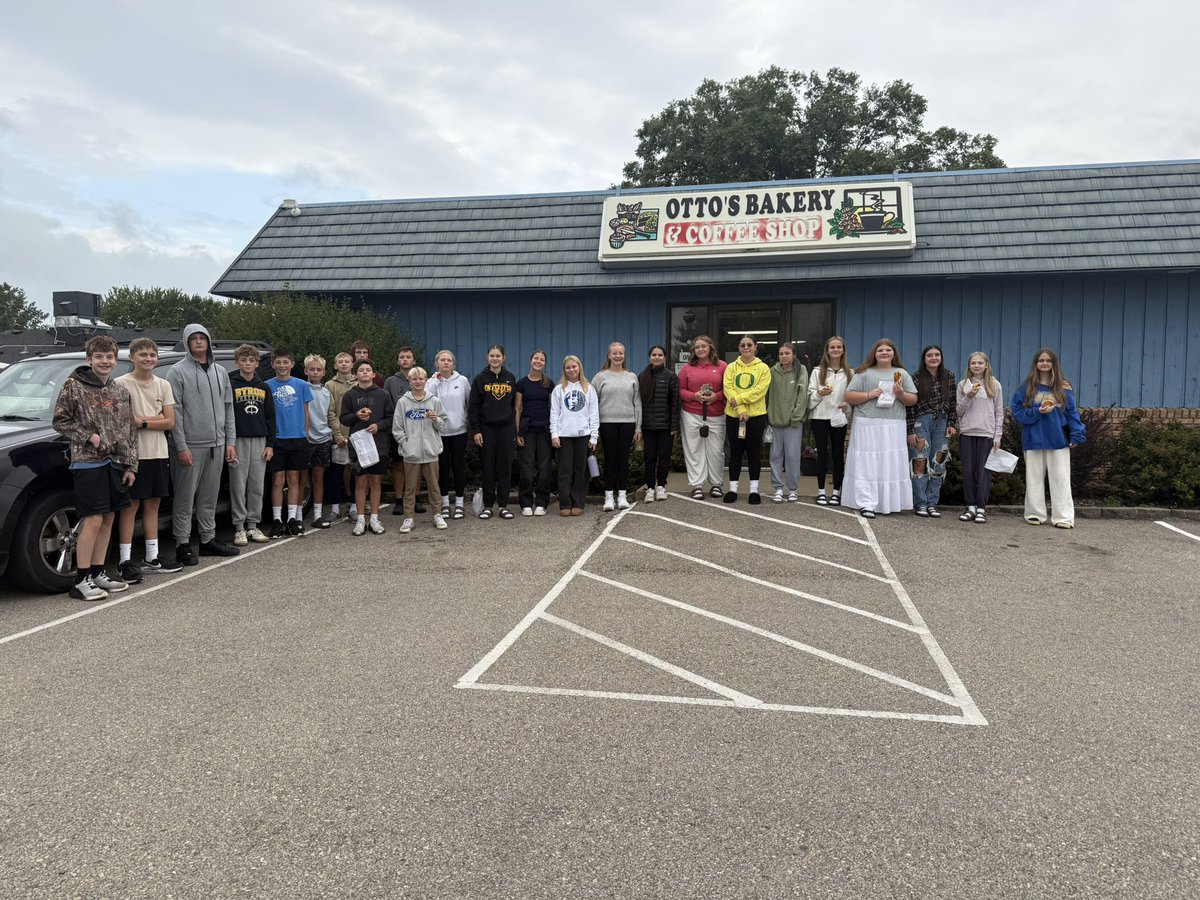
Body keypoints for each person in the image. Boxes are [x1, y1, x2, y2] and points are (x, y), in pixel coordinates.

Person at [53, 336, 138, 600]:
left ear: (115, 359)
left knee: (109, 517)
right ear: (89, 359)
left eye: (109, 357)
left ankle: (99, 572)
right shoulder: (74, 386)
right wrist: (89, 436)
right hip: (88, 462)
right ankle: (81, 579)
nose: (105, 361)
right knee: (93, 518)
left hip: (115, 462)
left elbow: (129, 430)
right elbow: (60, 421)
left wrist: (130, 464)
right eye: (99, 357)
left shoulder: (120, 391)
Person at [166, 323, 238, 565]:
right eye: (193, 338)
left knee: (209, 497)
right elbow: (175, 411)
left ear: (208, 341)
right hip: (190, 446)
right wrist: (181, 446)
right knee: (185, 498)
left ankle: (208, 540)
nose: (198, 342)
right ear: (187, 342)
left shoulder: (220, 372)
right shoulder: (177, 372)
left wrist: (230, 441)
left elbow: (229, 409)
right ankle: (182, 544)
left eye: (202, 338)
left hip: (217, 446)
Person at [114, 338, 180, 582]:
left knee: (153, 504)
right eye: (143, 354)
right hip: (133, 456)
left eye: (152, 355)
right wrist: (155, 419)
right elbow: (122, 421)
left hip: (159, 452)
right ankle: (124, 560)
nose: (148, 358)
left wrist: (142, 421)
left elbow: (170, 422)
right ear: (132, 357)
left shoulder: (163, 385)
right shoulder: (120, 384)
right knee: (130, 507)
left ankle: (152, 557)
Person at [1011, 348, 1086, 528]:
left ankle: (1063, 517)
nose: (1044, 363)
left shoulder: (1064, 386)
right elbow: (1017, 411)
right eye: (1041, 360)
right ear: (1036, 363)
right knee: (1034, 477)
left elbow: (1072, 413)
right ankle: (1035, 514)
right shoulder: (1027, 386)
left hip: (1058, 439)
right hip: (1033, 438)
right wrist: (1038, 411)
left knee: (1060, 478)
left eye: (1048, 360)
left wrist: (1077, 434)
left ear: (1054, 363)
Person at [842, 338, 917, 518]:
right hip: (867, 423)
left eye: (888, 350)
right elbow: (848, 395)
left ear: (893, 354)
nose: (884, 353)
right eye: (880, 350)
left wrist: (900, 394)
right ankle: (866, 501)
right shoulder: (864, 373)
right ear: (874, 354)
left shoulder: (901, 374)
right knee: (867, 463)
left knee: (888, 463)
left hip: (893, 424)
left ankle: (888, 501)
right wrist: (868, 395)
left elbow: (913, 399)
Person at [229, 343, 275, 547]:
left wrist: (270, 444)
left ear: (257, 363)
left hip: (260, 440)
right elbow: (226, 416)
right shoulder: (231, 384)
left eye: (251, 360)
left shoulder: (264, 386)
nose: (247, 363)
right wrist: (228, 443)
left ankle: (253, 524)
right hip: (238, 439)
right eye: (243, 360)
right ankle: (239, 528)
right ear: (237, 361)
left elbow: (271, 417)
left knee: (256, 485)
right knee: (238, 484)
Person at [341, 359, 394, 535]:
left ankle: (375, 518)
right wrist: (356, 415)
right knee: (360, 482)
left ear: (373, 374)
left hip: (378, 445)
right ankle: (361, 519)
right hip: (358, 446)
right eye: (361, 370)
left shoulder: (383, 394)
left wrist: (379, 426)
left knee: (376, 482)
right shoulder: (349, 395)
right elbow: (344, 418)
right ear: (355, 374)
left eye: (368, 370)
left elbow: (390, 418)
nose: (364, 372)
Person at [392, 366, 447, 533]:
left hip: (431, 452)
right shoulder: (403, 402)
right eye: (414, 379)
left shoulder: (434, 401)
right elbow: (397, 428)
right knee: (410, 487)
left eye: (421, 379)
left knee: (434, 486)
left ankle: (437, 514)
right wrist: (406, 445)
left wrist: (436, 419)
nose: (417, 382)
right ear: (409, 381)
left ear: (425, 381)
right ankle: (409, 517)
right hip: (411, 454)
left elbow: (443, 425)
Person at [266, 349, 313, 538]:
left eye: (286, 362)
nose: (282, 366)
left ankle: (293, 519)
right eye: (279, 362)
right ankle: (277, 520)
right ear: (273, 364)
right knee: (278, 481)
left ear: (292, 364)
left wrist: (306, 433)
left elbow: (306, 411)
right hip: (277, 439)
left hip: (297, 438)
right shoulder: (267, 386)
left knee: (294, 480)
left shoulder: (301, 385)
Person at [907, 344, 958, 518]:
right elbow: (910, 407)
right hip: (922, 422)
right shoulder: (916, 378)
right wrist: (910, 430)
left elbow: (953, 403)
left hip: (942, 423)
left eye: (937, 354)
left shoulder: (949, 376)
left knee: (939, 460)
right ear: (924, 358)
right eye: (930, 355)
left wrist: (952, 423)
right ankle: (920, 503)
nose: (934, 358)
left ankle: (932, 503)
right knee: (920, 461)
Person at [468, 344, 518, 519]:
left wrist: (514, 430)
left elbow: (515, 407)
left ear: (503, 358)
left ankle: (503, 505)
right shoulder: (480, 379)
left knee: (505, 467)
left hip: (506, 429)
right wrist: (476, 430)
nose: (495, 358)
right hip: (486, 429)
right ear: (487, 357)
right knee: (488, 467)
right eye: (492, 355)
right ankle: (488, 505)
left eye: (498, 356)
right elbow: (473, 407)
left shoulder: (510, 378)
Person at [592, 341, 642, 511]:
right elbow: (592, 402)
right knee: (610, 460)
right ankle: (608, 497)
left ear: (624, 356)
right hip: (606, 424)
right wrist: (593, 427)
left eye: (621, 353)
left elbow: (637, 403)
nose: (618, 356)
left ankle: (622, 495)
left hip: (628, 423)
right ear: (609, 355)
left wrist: (638, 427)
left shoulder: (632, 377)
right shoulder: (600, 377)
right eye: (615, 353)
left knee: (623, 460)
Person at [956, 351, 1005, 524]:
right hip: (968, 432)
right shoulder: (963, 384)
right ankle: (970, 507)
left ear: (986, 366)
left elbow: (999, 412)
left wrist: (997, 435)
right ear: (969, 366)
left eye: (980, 363)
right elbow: (959, 411)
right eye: (973, 363)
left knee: (984, 472)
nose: (976, 366)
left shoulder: (994, 385)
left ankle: (981, 508)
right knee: (968, 471)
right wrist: (968, 396)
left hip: (987, 434)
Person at [722, 335, 772, 504]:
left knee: (753, 453)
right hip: (734, 416)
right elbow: (728, 389)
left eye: (749, 345)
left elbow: (760, 390)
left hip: (756, 417)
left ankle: (753, 491)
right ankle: (733, 490)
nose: (746, 348)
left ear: (755, 347)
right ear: (739, 348)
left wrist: (741, 399)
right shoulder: (731, 367)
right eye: (743, 345)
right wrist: (741, 409)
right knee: (735, 453)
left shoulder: (764, 368)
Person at [678, 335, 727, 500]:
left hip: (716, 413)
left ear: (710, 348)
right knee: (694, 449)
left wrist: (717, 396)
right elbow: (680, 391)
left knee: (716, 451)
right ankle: (697, 485)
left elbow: (728, 389)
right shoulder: (686, 368)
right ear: (693, 350)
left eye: (703, 346)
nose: (700, 349)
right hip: (692, 413)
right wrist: (694, 396)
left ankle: (716, 484)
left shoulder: (722, 366)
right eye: (697, 347)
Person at [550, 355, 598, 516]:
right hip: (564, 436)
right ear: (564, 370)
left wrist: (594, 437)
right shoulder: (559, 389)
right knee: (565, 470)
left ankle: (578, 503)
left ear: (579, 368)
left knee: (580, 470)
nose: (571, 370)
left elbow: (594, 414)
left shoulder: (589, 389)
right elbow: (554, 413)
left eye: (574, 367)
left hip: (583, 435)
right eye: (568, 367)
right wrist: (554, 434)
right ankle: (565, 503)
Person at [808, 336, 852, 506]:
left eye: (838, 347)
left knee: (837, 454)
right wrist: (820, 394)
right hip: (820, 417)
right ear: (827, 350)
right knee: (822, 454)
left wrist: (847, 405)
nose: (835, 350)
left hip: (838, 417)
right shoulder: (817, 371)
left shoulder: (850, 373)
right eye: (832, 347)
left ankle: (836, 492)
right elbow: (809, 398)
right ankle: (820, 491)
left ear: (843, 350)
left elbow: (851, 397)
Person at [427, 349, 470, 520]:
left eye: (449, 360)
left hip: (459, 431)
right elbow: (426, 399)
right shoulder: (431, 381)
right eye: (442, 360)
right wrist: (435, 381)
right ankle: (444, 504)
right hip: (439, 432)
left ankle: (459, 504)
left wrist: (466, 422)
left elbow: (469, 403)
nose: (446, 362)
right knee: (442, 469)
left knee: (458, 468)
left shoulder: (463, 381)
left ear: (453, 363)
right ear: (437, 363)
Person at [766, 342, 809, 503]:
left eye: (787, 353)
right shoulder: (772, 371)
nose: (784, 356)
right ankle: (777, 488)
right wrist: (768, 416)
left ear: (794, 355)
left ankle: (792, 489)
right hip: (775, 420)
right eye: (781, 353)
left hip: (793, 422)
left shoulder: (800, 370)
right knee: (775, 456)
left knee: (792, 457)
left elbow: (802, 393)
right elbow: (766, 395)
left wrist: (796, 416)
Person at [384, 346, 425, 516]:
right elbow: (387, 406)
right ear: (398, 361)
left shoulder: (421, 379)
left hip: (419, 429)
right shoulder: (390, 382)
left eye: (409, 357)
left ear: (414, 360)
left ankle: (415, 498)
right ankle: (399, 500)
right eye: (402, 357)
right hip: (399, 430)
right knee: (399, 465)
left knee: (417, 465)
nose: (405, 360)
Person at [638, 345, 680, 503]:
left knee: (664, 457)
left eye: (660, 355)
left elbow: (675, 403)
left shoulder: (671, 376)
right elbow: (639, 403)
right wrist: (639, 427)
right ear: (650, 357)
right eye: (654, 355)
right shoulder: (642, 376)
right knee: (649, 458)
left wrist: (674, 426)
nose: (657, 357)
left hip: (665, 426)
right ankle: (650, 487)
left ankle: (661, 486)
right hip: (647, 426)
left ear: (664, 357)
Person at [514, 350, 554, 516]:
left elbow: (554, 408)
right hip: (527, 430)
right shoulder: (522, 383)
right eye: (536, 358)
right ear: (531, 361)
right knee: (526, 467)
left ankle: (542, 502)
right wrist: (517, 433)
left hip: (544, 430)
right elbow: (517, 408)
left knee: (545, 467)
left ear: (545, 363)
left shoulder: (548, 383)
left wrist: (554, 431)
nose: (538, 361)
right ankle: (525, 502)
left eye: (542, 359)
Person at [303, 354, 337, 528]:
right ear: (305, 371)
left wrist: (335, 435)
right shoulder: (301, 388)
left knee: (318, 478)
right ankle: (296, 517)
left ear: (324, 372)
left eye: (319, 369)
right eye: (312, 369)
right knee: (302, 478)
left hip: (323, 439)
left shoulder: (326, 392)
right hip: (305, 439)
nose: (315, 372)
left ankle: (317, 515)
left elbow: (330, 415)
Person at [324, 352, 355, 521]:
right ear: (335, 366)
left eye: (347, 361)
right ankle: (335, 508)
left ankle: (353, 505)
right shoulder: (330, 385)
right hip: (338, 436)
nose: (344, 364)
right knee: (336, 472)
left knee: (355, 471)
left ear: (352, 364)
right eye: (340, 362)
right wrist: (337, 435)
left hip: (357, 435)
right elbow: (331, 412)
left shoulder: (359, 383)